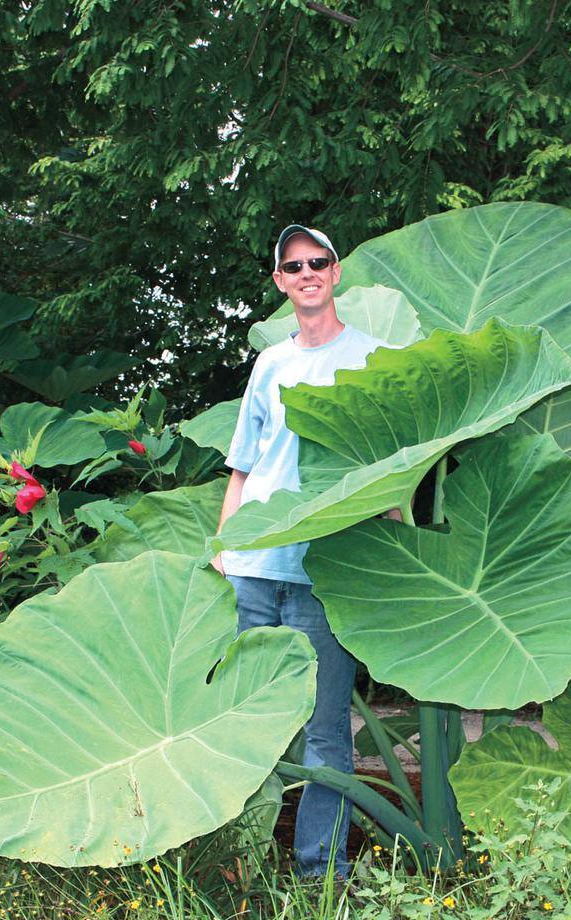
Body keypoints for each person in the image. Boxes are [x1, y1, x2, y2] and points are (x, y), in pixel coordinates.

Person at [212, 224, 392, 877]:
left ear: (336, 272)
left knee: (325, 729)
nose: (307, 272)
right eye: (294, 265)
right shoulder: (270, 363)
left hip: (326, 571)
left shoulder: (373, 357)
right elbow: (242, 467)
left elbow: (390, 464)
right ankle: (239, 862)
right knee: (242, 718)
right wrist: (224, 547)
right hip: (255, 566)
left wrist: (391, 549)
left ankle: (322, 873)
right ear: (280, 281)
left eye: (318, 261)